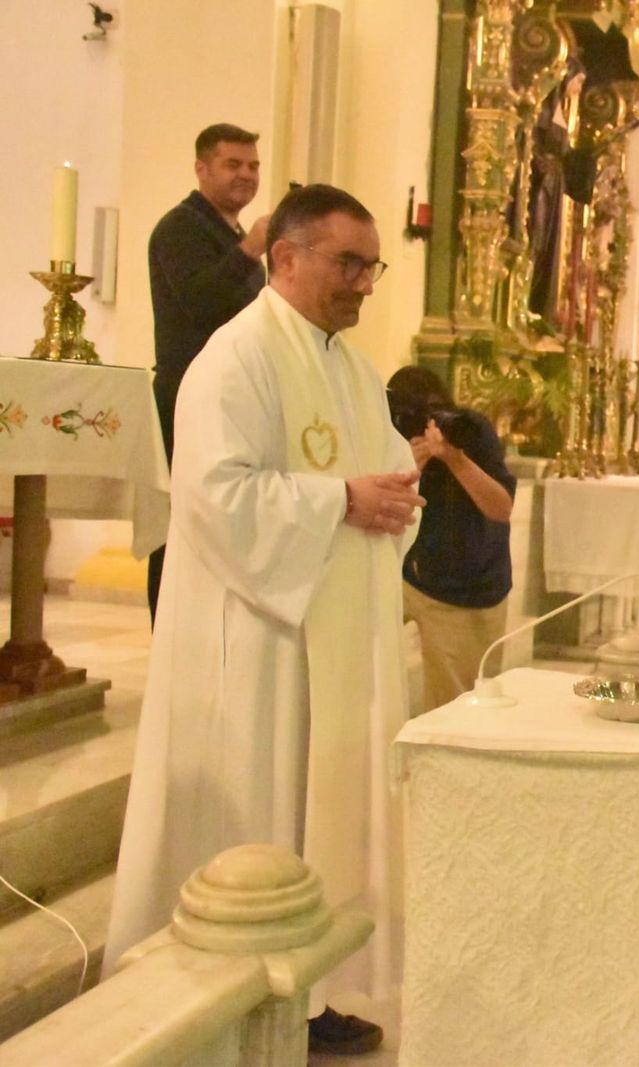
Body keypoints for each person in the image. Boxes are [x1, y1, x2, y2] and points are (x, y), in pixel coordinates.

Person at [107, 184, 422, 1056]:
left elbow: (392, 480)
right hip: (257, 645)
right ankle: (217, 997)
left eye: (371, 265)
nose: (363, 282)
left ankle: (309, 990)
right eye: (346, 263)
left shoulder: (353, 368)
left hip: (332, 635)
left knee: (315, 817)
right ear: (284, 258)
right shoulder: (233, 358)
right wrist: (339, 499)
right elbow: (215, 495)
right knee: (256, 811)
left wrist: (391, 499)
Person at [145, 123, 271, 621]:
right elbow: (199, 302)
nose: (246, 175)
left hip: (232, 396)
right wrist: (251, 252)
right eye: (233, 164)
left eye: (254, 166)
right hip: (185, 397)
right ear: (202, 168)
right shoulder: (179, 228)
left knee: (223, 520)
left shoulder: (230, 232)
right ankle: (171, 634)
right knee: (181, 524)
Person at [386, 366, 516, 712]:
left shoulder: (470, 431)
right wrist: (407, 469)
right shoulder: (389, 434)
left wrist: (454, 459)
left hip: (464, 589)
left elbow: (500, 508)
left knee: (454, 710)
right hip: (405, 574)